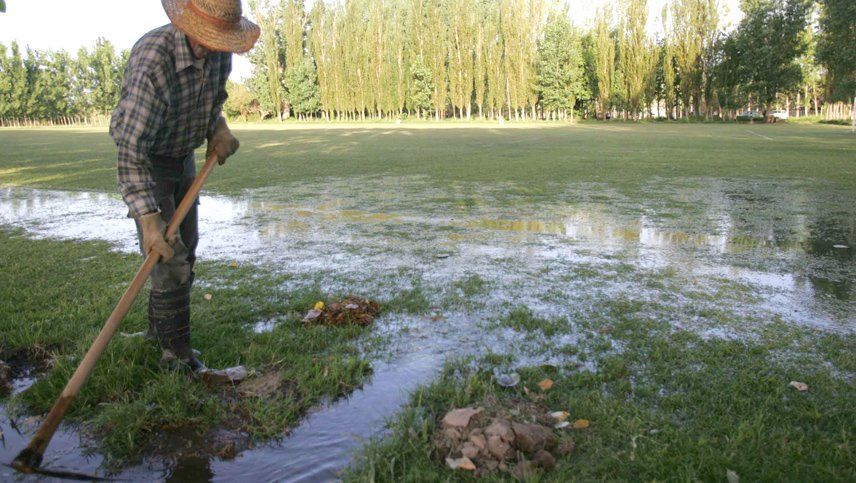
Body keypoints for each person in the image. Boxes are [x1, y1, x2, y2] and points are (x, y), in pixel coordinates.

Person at [109, 0, 260, 372]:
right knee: (167, 252)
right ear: (187, 25)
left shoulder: (220, 54)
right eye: (209, 37)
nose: (214, 47)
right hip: (150, 160)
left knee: (184, 250)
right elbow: (131, 150)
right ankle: (175, 356)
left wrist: (218, 129)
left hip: (183, 157)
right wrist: (148, 220)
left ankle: (157, 334)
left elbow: (212, 103)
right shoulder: (153, 61)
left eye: (222, 39)